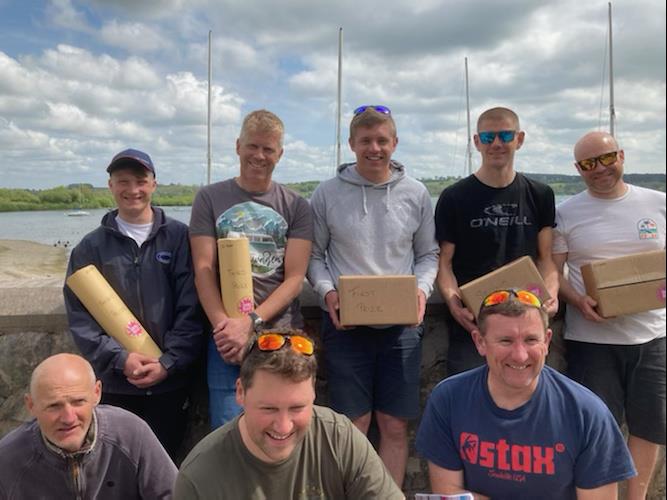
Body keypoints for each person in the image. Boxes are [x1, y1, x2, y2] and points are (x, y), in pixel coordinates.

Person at [307, 104, 439, 487]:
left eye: (382, 140)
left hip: (401, 327)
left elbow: (428, 254)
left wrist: (422, 290)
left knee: (395, 425)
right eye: (366, 140)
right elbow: (315, 257)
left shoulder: (415, 193)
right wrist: (327, 291)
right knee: (352, 426)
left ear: (394, 143)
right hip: (346, 324)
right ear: (352, 144)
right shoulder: (327, 193)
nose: (374, 148)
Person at [416, 289, 636, 499]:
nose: (520, 356)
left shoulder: (586, 412)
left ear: (547, 341)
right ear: (480, 342)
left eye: (531, 340)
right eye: (506, 341)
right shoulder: (449, 399)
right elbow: (448, 491)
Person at [63, 148, 203, 458]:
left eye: (140, 181)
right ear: (110, 186)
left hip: (171, 383)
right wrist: (119, 358)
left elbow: (192, 307)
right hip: (115, 384)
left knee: (166, 467)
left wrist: (169, 362)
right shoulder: (89, 248)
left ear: (154, 184)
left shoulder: (181, 238)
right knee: (117, 470)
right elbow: (81, 320)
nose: (132, 190)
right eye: (122, 181)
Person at [552, 131, 666, 500]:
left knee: (649, 428)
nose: (598, 169)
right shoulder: (566, 212)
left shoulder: (659, 204)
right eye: (588, 164)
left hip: (652, 337)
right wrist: (577, 299)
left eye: (605, 158)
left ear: (621, 155)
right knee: (597, 429)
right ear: (577, 169)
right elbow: (554, 273)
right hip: (591, 340)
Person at [189, 109, 313, 429]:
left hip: (282, 334)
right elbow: (203, 267)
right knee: (228, 432)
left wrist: (251, 322)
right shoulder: (209, 198)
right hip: (225, 338)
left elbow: (296, 277)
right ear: (238, 146)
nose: (259, 155)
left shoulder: (297, 205)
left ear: (279, 154)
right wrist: (226, 328)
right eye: (252, 146)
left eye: (268, 149)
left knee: (283, 429)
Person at [174, 331, 404, 499]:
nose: (283, 427)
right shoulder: (200, 476)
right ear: (241, 392)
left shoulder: (339, 437)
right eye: (269, 409)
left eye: (297, 408)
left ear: (314, 393)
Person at [435, 106, 559, 377]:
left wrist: (553, 293)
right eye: (489, 137)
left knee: (527, 397)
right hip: (474, 323)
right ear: (477, 142)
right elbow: (444, 264)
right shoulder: (454, 197)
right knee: (468, 403)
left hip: (526, 321)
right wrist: (455, 304)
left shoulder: (540, 194)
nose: (497, 144)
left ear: (520, 139)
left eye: (505, 135)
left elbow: (546, 259)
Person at [0, 353, 176, 499]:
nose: (68, 418)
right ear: (31, 405)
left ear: (96, 393)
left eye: (78, 402)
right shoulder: (8, 459)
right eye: (54, 406)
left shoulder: (131, 434)